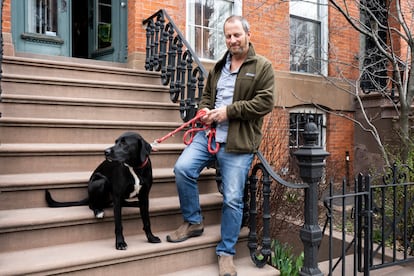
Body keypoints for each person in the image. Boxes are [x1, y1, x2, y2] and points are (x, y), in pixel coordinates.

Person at [166, 15, 275, 276]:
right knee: (182, 169)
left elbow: (265, 102)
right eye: (228, 36)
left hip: (238, 142)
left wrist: (228, 112)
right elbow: (207, 96)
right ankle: (193, 222)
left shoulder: (262, 66)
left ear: (248, 34)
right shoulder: (218, 67)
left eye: (237, 35)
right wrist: (205, 109)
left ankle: (226, 252)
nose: (232, 40)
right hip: (210, 135)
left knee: (233, 199)